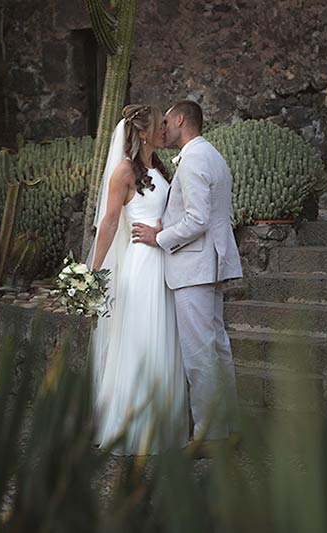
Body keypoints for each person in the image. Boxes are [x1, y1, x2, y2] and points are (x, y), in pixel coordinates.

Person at [132, 100, 243, 443]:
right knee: (216, 347)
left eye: (166, 121)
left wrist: (159, 236)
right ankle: (229, 427)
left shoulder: (193, 159)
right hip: (209, 262)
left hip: (193, 266)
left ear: (181, 119)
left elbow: (197, 218)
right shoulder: (211, 154)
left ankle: (209, 435)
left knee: (198, 354)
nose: (163, 128)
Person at [87, 104, 189, 455]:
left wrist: (163, 229)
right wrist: (93, 271)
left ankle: (163, 425)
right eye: (160, 125)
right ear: (143, 134)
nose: (166, 129)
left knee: (165, 339)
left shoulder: (159, 167)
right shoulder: (123, 172)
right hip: (142, 266)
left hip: (164, 259)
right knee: (142, 339)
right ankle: (134, 426)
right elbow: (111, 223)